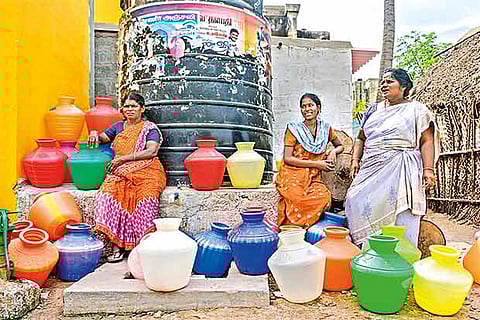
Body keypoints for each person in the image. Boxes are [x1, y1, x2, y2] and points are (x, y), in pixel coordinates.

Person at [345, 68, 439, 248]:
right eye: (383, 82)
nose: (384, 85)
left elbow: (427, 140)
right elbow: (361, 138)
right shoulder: (374, 110)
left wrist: (428, 170)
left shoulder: (418, 110)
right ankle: (367, 252)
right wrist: (355, 160)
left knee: (403, 211)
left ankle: (400, 257)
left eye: (390, 81)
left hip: (403, 167)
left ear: (403, 86)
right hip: (372, 166)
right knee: (353, 199)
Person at [88, 92, 167, 263]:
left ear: (142, 109)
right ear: (122, 109)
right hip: (120, 171)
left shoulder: (149, 128)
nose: (130, 109)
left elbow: (151, 151)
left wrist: (123, 159)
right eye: (127, 106)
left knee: (146, 200)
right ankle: (118, 245)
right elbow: (101, 139)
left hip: (147, 170)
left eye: (134, 106)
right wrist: (94, 132)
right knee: (108, 196)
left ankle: (142, 248)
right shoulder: (117, 127)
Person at [276, 93, 344, 228]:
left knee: (323, 197)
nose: (307, 109)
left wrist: (333, 152)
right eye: (303, 106)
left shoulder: (326, 128)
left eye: (310, 105)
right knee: (297, 198)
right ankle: (292, 231)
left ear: (318, 108)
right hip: (293, 172)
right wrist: (317, 164)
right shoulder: (293, 129)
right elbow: (288, 158)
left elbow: (340, 145)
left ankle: (306, 231)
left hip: (314, 176)